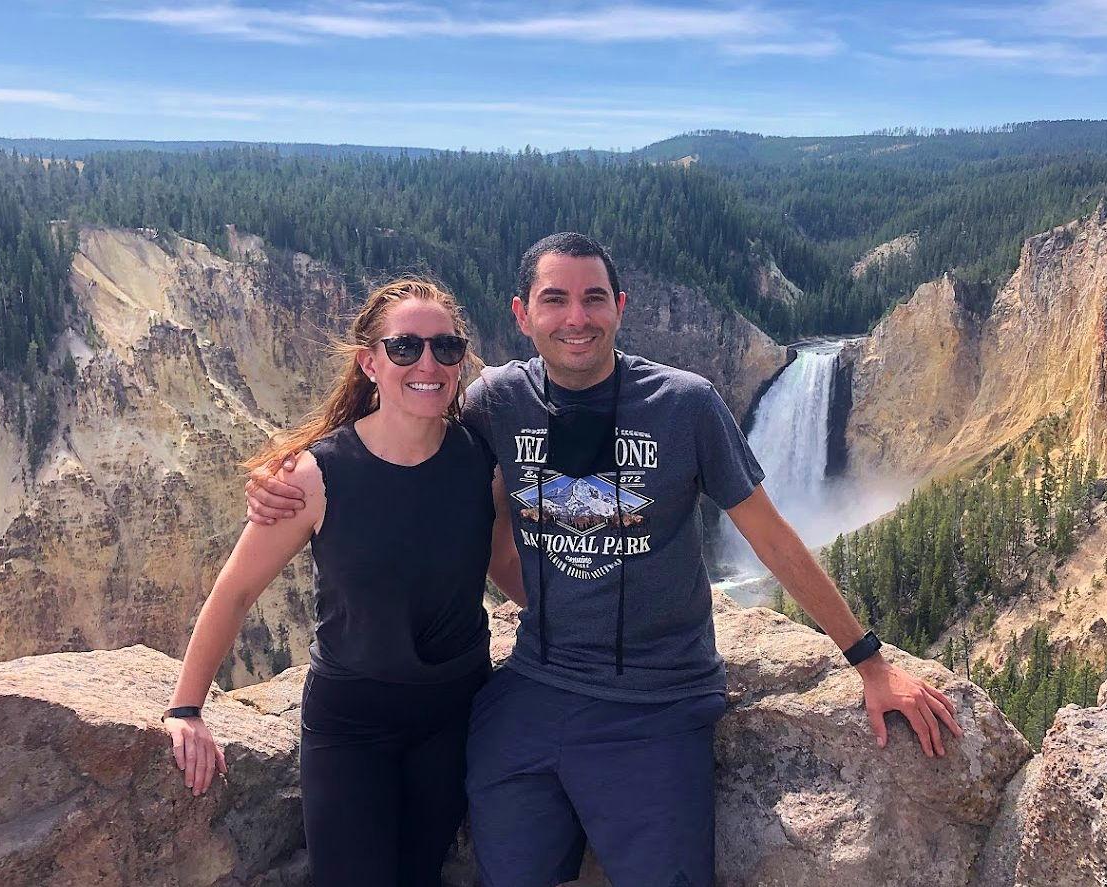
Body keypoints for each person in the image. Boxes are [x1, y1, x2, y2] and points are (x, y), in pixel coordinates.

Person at [247, 233, 963, 887]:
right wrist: (297, 468)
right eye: (554, 299)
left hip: (658, 698)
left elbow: (772, 537)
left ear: (620, 307)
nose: (576, 318)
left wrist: (870, 662)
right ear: (523, 315)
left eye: (593, 298)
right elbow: (404, 430)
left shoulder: (685, 405)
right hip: (532, 688)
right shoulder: (499, 401)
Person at [165, 277, 522, 886]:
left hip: (454, 714)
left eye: (446, 347)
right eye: (405, 347)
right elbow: (236, 591)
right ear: (369, 362)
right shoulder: (315, 475)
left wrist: (576, 625)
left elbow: (502, 564)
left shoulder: (481, 462)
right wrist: (185, 708)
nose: (428, 364)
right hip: (351, 724)